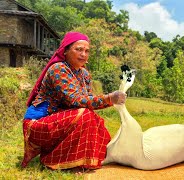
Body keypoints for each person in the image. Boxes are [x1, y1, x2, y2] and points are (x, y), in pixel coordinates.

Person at [21, 32, 126, 172]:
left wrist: (110, 100)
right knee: (85, 115)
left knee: (95, 120)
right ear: (65, 51)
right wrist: (108, 98)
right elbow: (75, 100)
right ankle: (53, 160)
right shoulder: (58, 69)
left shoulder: (84, 74)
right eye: (78, 49)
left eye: (87, 51)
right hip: (38, 123)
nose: (83, 54)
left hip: (59, 120)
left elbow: (87, 101)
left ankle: (89, 158)